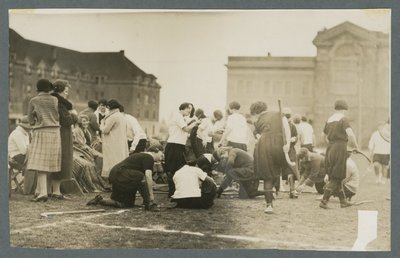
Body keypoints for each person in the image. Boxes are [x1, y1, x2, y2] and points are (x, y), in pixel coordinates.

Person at [86, 144, 163, 211]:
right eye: (161, 153)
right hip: (121, 174)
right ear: (156, 150)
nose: (162, 157)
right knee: (140, 176)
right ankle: (149, 204)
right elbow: (148, 177)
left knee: (125, 204)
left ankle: (100, 200)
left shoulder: (142, 156)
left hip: (117, 174)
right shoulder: (149, 157)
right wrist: (150, 196)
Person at [250, 101, 291, 214]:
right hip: (278, 144)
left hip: (263, 145)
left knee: (267, 176)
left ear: (257, 112)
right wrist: (287, 144)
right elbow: (287, 128)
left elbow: (258, 136)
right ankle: (274, 189)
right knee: (276, 171)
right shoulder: (279, 114)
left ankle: (269, 205)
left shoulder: (259, 120)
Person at [26, 79, 62, 202]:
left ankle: (43, 193)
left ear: (38, 88)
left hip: (42, 130)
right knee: (49, 162)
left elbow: (30, 117)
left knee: (39, 162)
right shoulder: (55, 99)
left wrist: (33, 123)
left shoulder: (34, 100)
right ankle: (39, 190)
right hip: (55, 132)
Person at [320, 100, 359, 209]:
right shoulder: (343, 119)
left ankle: (343, 201)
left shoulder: (329, 120)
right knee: (336, 176)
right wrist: (356, 146)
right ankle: (324, 201)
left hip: (330, 148)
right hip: (340, 148)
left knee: (336, 175)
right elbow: (350, 135)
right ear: (343, 109)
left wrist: (330, 145)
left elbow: (322, 135)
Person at [164, 102, 200, 197]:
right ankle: (172, 192)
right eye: (189, 109)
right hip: (174, 145)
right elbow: (186, 129)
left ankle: (176, 191)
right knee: (174, 169)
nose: (190, 111)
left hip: (178, 146)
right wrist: (195, 123)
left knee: (180, 169)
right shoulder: (178, 116)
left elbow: (185, 127)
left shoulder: (181, 118)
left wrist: (193, 122)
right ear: (184, 108)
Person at [51, 79, 76, 200]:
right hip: (62, 135)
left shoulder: (56, 102)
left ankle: (54, 190)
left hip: (60, 133)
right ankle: (56, 191)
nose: (67, 93)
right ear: (60, 91)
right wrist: (75, 116)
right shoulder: (61, 104)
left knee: (59, 160)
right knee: (62, 159)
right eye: (66, 91)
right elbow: (67, 121)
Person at [72, 114, 108, 193]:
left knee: (102, 158)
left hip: (87, 149)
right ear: (80, 122)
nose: (86, 123)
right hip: (79, 151)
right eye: (84, 121)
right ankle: (92, 186)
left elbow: (89, 142)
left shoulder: (86, 131)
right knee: (91, 164)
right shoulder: (77, 131)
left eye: (87, 121)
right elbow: (80, 144)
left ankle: (103, 183)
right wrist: (91, 151)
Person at [100, 99, 129, 178]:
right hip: (120, 143)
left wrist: (102, 123)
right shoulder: (121, 116)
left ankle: (113, 180)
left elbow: (105, 130)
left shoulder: (112, 117)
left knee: (112, 162)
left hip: (112, 143)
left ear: (109, 107)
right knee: (119, 161)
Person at [8, 116, 35, 195]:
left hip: (22, 156)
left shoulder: (25, 133)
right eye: (29, 127)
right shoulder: (17, 133)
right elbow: (23, 151)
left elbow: (27, 149)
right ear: (24, 127)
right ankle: (29, 189)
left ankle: (33, 188)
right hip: (15, 157)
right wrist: (31, 146)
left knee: (36, 161)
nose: (30, 129)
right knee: (33, 163)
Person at [281, 107, 299, 198]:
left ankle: (292, 190)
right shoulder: (279, 126)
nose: (288, 118)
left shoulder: (292, 126)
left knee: (291, 169)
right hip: (280, 150)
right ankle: (273, 190)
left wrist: (294, 139)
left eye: (289, 116)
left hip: (290, 150)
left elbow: (296, 136)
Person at [368, 120, 390, 184]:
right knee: (376, 165)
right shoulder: (375, 134)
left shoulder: (387, 134)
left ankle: (383, 179)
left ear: (384, 127)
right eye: (379, 126)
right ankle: (378, 177)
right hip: (377, 153)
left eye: (382, 126)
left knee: (384, 167)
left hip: (386, 153)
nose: (380, 127)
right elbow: (371, 143)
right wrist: (371, 149)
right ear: (378, 127)